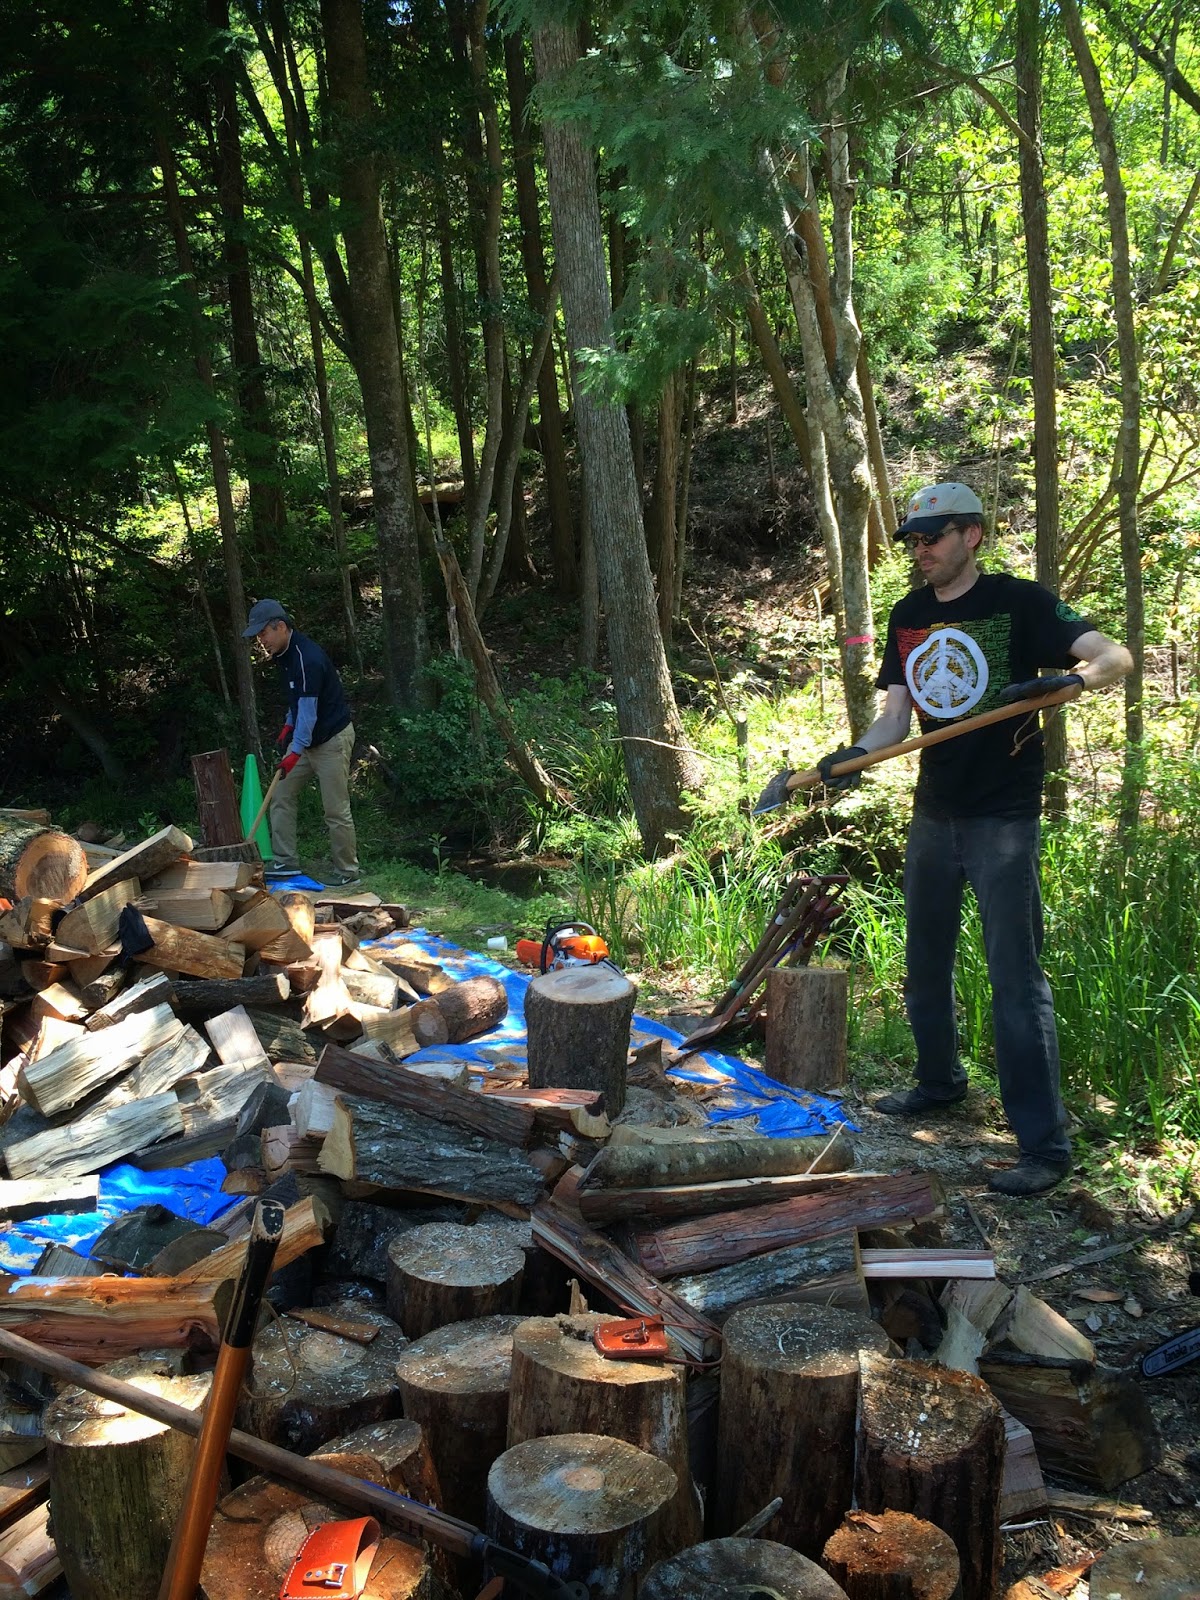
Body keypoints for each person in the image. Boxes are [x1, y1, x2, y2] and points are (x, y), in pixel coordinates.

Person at [818, 482, 1132, 1196]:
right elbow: (894, 722)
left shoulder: (1020, 602)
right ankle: (938, 1083)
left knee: (1015, 978)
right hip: (935, 812)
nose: (920, 550)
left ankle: (1044, 1147)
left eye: (933, 537)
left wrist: (1069, 682)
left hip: (1003, 818)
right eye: (914, 540)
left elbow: (1115, 657)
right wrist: (850, 758)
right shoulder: (909, 615)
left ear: (972, 535)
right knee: (924, 960)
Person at [243, 599, 361, 887]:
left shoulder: (308, 659)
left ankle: (348, 872)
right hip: (306, 739)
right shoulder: (283, 655)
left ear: (281, 627)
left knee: (335, 809)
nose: (261, 641)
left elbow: (308, 713)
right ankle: (285, 861)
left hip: (332, 739)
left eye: (263, 633)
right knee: (281, 795)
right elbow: (296, 702)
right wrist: (288, 725)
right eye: (258, 636)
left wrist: (294, 751)